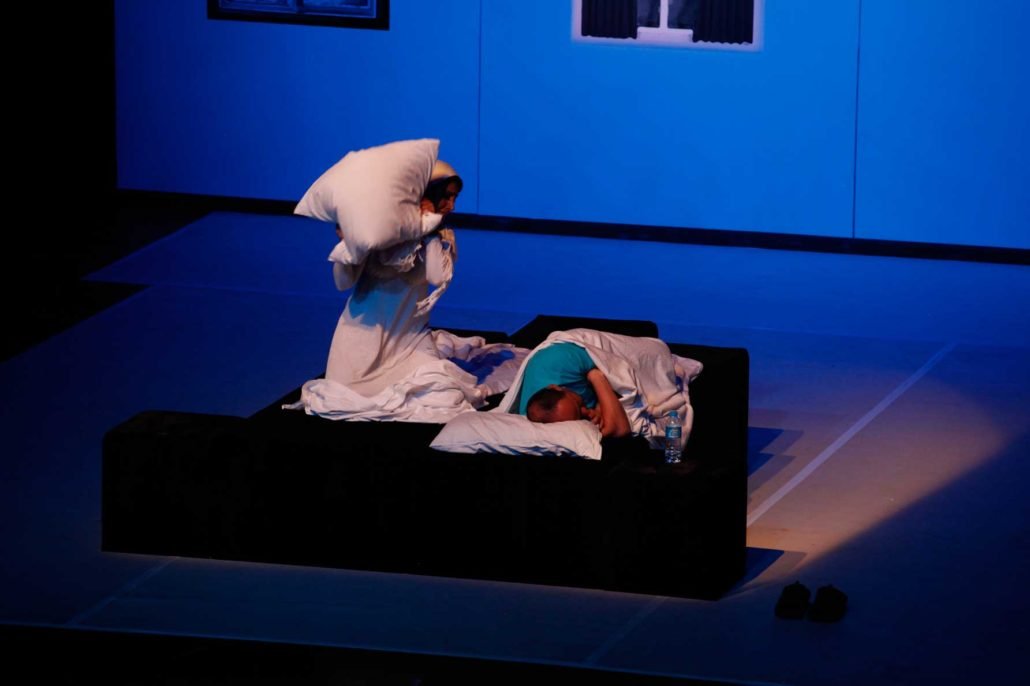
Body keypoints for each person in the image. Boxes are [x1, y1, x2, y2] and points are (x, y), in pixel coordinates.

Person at [323, 161, 462, 393]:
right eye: (447, 197)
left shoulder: (439, 236)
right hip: (364, 336)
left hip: (412, 337)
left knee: (442, 392)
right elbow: (342, 283)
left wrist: (430, 233)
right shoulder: (377, 232)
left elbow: (437, 277)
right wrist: (347, 245)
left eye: (455, 198)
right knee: (347, 395)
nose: (452, 206)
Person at [520, 342, 631, 439]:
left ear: (556, 387)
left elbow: (620, 428)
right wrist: (598, 407)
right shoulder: (534, 416)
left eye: (580, 404)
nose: (586, 411)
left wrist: (597, 377)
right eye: (580, 418)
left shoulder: (562, 358)